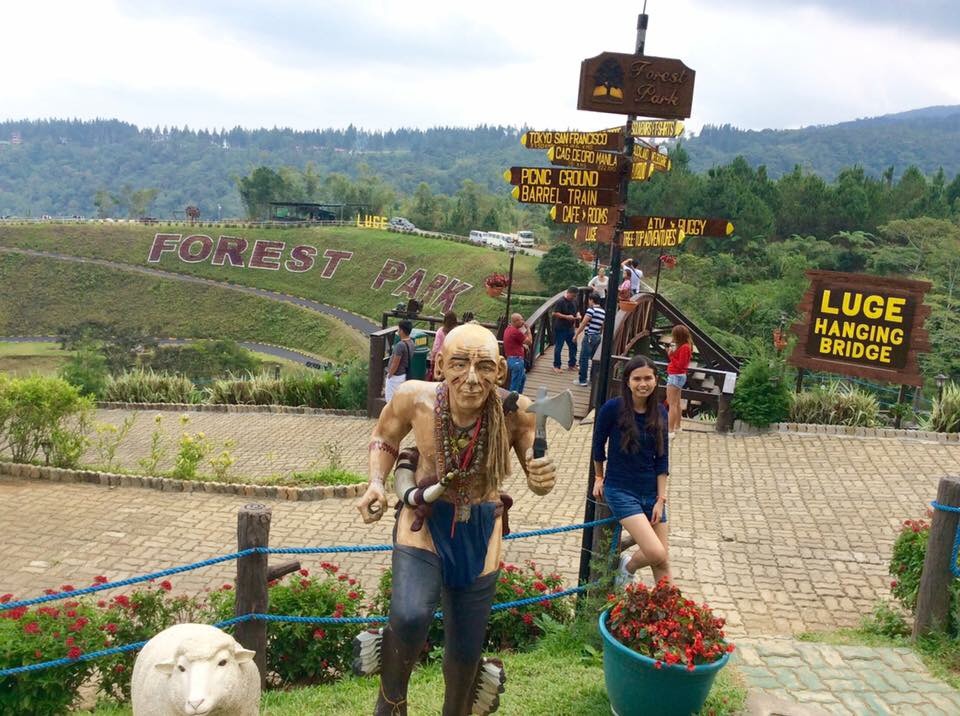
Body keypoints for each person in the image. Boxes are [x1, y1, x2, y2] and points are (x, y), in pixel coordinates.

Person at [355, 323, 557, 716]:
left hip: (481, 525)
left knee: (465, 648)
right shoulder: (414, 398)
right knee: (409, 616)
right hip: (425, 518)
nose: (471, 379)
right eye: (459, 364)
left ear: (501, 370)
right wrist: (376, 482)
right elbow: (385, 436)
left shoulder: (517, 412)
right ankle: (391, 703)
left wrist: (541, 476)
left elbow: (536, 466)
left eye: (484, 367)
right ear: (440, 364)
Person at [592, 354, 670, 589]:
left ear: (656, 380)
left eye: (648, 378)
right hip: (621, 489)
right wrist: (598, 476)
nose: (643, 384)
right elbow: (598, 444)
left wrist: (661, 499)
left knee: (662, 561)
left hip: (651, 492)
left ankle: (671, 608)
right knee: (656, 552)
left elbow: (662, 458)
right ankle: (628, 566)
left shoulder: (660, 412)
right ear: (627, 381)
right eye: (637, 379)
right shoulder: (612, 408)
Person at [666, 324, 694, 438]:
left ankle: (670, 430)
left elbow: (681, 365)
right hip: (678, 376)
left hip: (675, 376)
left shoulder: (684, 348)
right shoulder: (686, 346)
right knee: (677, 403)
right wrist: (671, 354)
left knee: (672, 404)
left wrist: (672, 356)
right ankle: (677, 427)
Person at [573, 293, 605, 387]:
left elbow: (583, 323)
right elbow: (602, 326)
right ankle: (592, 380)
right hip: (597, 337)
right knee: (594, 359)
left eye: (589, 300)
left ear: (591, 300)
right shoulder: (603, 311)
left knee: (584, 359)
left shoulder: (591, 310)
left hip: (589, 337)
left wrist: (576, 335)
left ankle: (582, 380)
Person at [551, 286, 580, 373]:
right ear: (568, 293)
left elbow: (577, 310)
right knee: (559, 347)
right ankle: (557, 366)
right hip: (560, 327)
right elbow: (554, 313)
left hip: (570, 328)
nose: (574, 297)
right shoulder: (560, 301)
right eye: (573, 296)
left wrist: (578, 315)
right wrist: (566, 317)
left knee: (573, 346)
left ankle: (572, 364)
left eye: (575, 296)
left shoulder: (574, 301)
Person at [385, 319, 414, 403]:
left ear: (401, 331)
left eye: (399, 329)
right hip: (404, 375)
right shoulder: (411, 342)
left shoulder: (400, 345)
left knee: (390, 401)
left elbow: (395, 363)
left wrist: (389, 375)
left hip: (396, 377)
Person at [502, 312, 532, 393]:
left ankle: (519, 397)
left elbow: (513, 341)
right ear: (516, 321)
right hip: (517, 360)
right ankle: (512, 399)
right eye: (521, 320)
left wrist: (522, 345)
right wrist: (528, 330)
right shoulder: (516, 332)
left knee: (522, 378)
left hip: (510, 359)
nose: (523, 322)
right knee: (515, 385)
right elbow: (529, 342)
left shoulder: (508, 329)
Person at [429, 311, 458, 380]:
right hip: (452, 359)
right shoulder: (456, 332)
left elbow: (436, 346)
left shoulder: (440, 331)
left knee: (438, 379)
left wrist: (432, 358)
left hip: (440, 359)